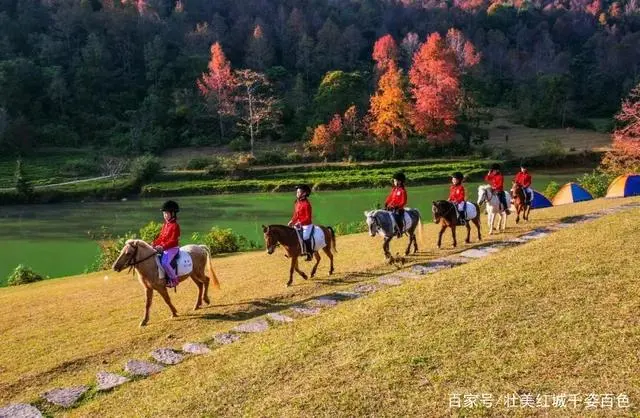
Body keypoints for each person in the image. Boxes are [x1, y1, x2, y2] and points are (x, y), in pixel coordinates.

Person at [153, 200, 181, 288]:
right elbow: (161, 237)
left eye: (167, 213)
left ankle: (174, 279)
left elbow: (173, 240)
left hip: (172, 248)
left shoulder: (175, 226)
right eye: (164, 214)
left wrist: (163, 247)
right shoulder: (165, 225)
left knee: (165, 262)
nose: (165, 216)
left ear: (173, 214)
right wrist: (153, 244)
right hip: (164, 248)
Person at [288, 184, 314, 261]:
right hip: (298, 224)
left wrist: (299, 223)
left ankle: (309, 254)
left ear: (304, 193)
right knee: (290, 235)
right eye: (297, 192)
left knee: (305, 237)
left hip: (306, 225)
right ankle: (292, 252)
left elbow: (308, 218)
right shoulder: (297, 203)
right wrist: (292, 221)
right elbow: (295, 214)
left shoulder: (307, 204)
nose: (297, 194)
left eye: (299, 192)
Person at [385, 172, 408, 238]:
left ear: (400, 181)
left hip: (399, 209)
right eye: (394, 180)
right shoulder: (394, 189)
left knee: (397, 218)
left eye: (395, 180)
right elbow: (390, 197)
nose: (394, 182)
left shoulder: (403, 191)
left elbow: (404, 202)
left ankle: (400, 231)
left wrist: (397, 206)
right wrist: (386, 203)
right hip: (391, 207)